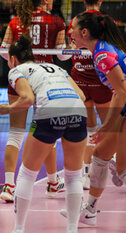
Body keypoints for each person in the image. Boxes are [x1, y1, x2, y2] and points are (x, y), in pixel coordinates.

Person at [0, 34, 87, 233]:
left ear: (13, 59)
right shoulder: (57, 68)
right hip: (78, 113)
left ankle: (19, 229)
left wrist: (8, 108)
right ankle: (72, 229)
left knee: (27, 173)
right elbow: (81, 95)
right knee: (74, 176)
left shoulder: (16, 70)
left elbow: (27, 99)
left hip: (50, 113)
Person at [60, 12, 126, 226]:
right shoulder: (100, 52)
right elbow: (118, 93)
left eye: (73, 29)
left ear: (84, 32)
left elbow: (123, 91)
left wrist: (109, 125)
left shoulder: (102, 56)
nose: (70, 33)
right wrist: (107, 126)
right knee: (99, 156)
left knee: (123, 170)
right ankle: (89, 210)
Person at [0, 0, 68, 203]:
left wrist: (19, 60)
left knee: (15, 134)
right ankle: (53, 183)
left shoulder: (15, 21)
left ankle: (9, 186)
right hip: (45, 80)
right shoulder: (56, 21)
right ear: (45, 0)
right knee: (49, 133)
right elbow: (63, 56)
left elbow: (4, 51)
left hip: (19, 76)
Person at [66, 0, 112, 189]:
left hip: (80, 80)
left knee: (87, 130)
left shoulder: (75, 21)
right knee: (111, 128)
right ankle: (114, 163)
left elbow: (69, 48)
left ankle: (86, 174)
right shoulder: (106, 20)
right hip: (101, 78)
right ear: (101, 1)